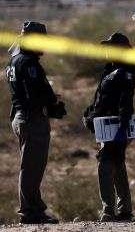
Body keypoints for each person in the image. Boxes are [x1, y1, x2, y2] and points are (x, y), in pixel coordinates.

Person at [6, 21, 62, 224]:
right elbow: (34, 95)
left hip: (21, 117)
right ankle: (30, 213)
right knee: (32, 167)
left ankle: (34, 209)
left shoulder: (15, 59)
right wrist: (53, 99)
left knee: (31, 166)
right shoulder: (28, 63)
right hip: (31, 118)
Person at [91, 32, 135, 222]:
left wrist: (122, 127)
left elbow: (126, 99)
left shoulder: (126, 70)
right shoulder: (110, 69)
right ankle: (124, 210)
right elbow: (102, 97)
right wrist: (91, 113)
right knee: (117, 162)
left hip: (116, 124)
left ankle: (108, 211)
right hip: (105, 124)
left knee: (105, 162)